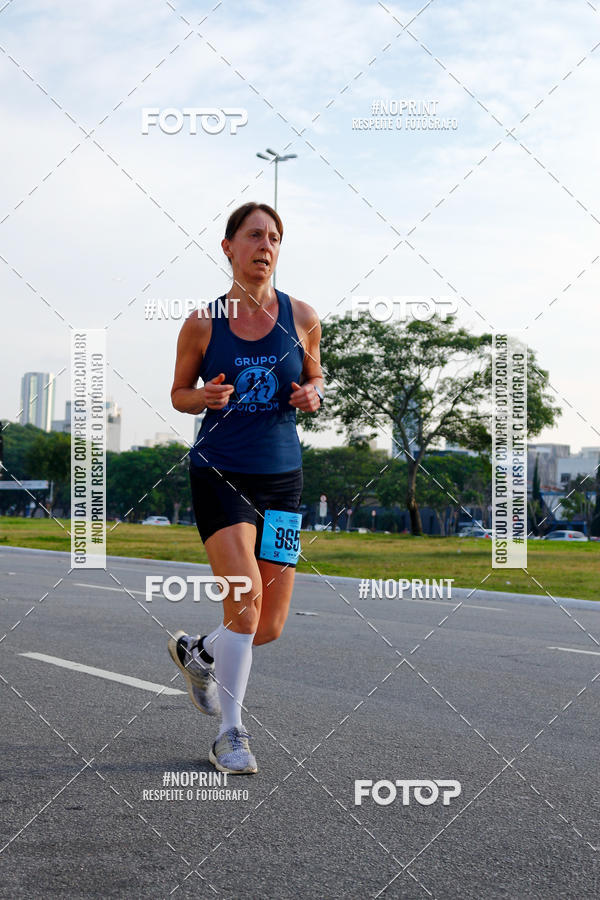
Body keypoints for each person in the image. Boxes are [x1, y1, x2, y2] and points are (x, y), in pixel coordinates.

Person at [169, 202, 324, 774]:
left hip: (282, 480)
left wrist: (314, 393)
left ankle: (199, 652)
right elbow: (179, 392)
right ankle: (231, 734)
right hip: (220, 473)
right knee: (245, 599)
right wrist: (201, 398)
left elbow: (314, 376)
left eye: (275, 238)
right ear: (229, 246)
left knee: (269, 625)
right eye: (255, 235)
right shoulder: (202, 324)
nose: (266, 246)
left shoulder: (302, 316)